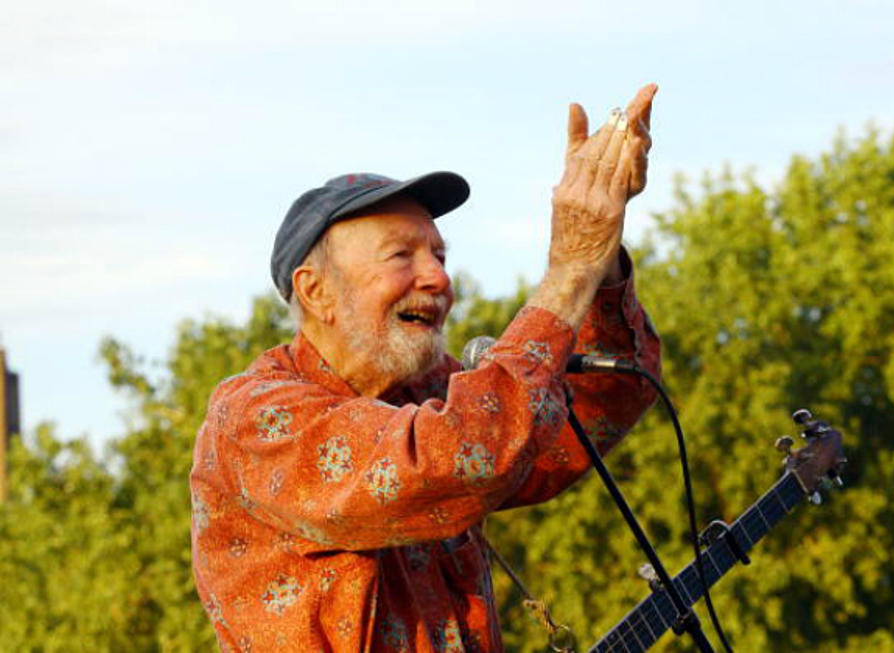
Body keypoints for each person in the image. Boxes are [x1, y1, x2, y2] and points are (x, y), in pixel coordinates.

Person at [190, 83, 661, 652]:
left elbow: (592, 408)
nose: (437, 278)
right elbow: (461, 454)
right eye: (401, 256)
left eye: (439, 255)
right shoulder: (256, 419)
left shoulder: (426, 396)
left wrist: (601, 249)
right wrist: (570, 265)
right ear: (316, 293)